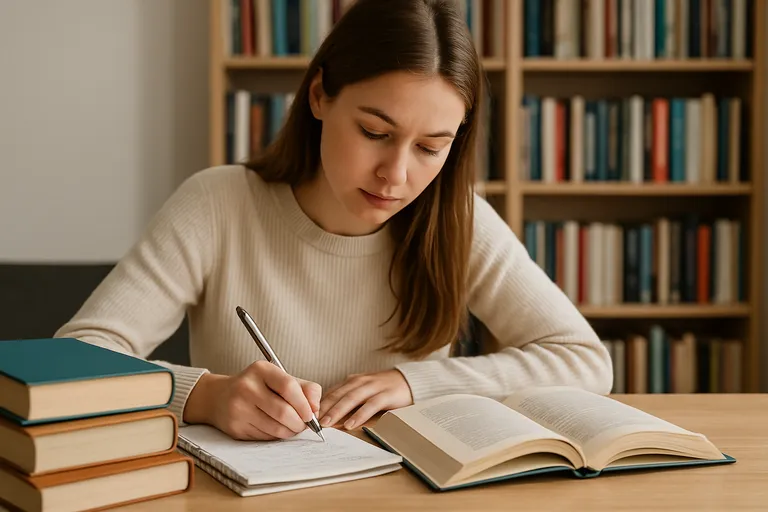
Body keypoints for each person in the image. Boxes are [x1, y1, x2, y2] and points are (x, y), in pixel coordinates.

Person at [54, 0, 612, 442]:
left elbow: (585, 360)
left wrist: (415, 383)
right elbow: (75, 357)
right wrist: (204, 396)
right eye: (375, 132)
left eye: (431, 147)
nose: (396, 174)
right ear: (320, 96)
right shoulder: (219, 204)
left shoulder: (456, 217)